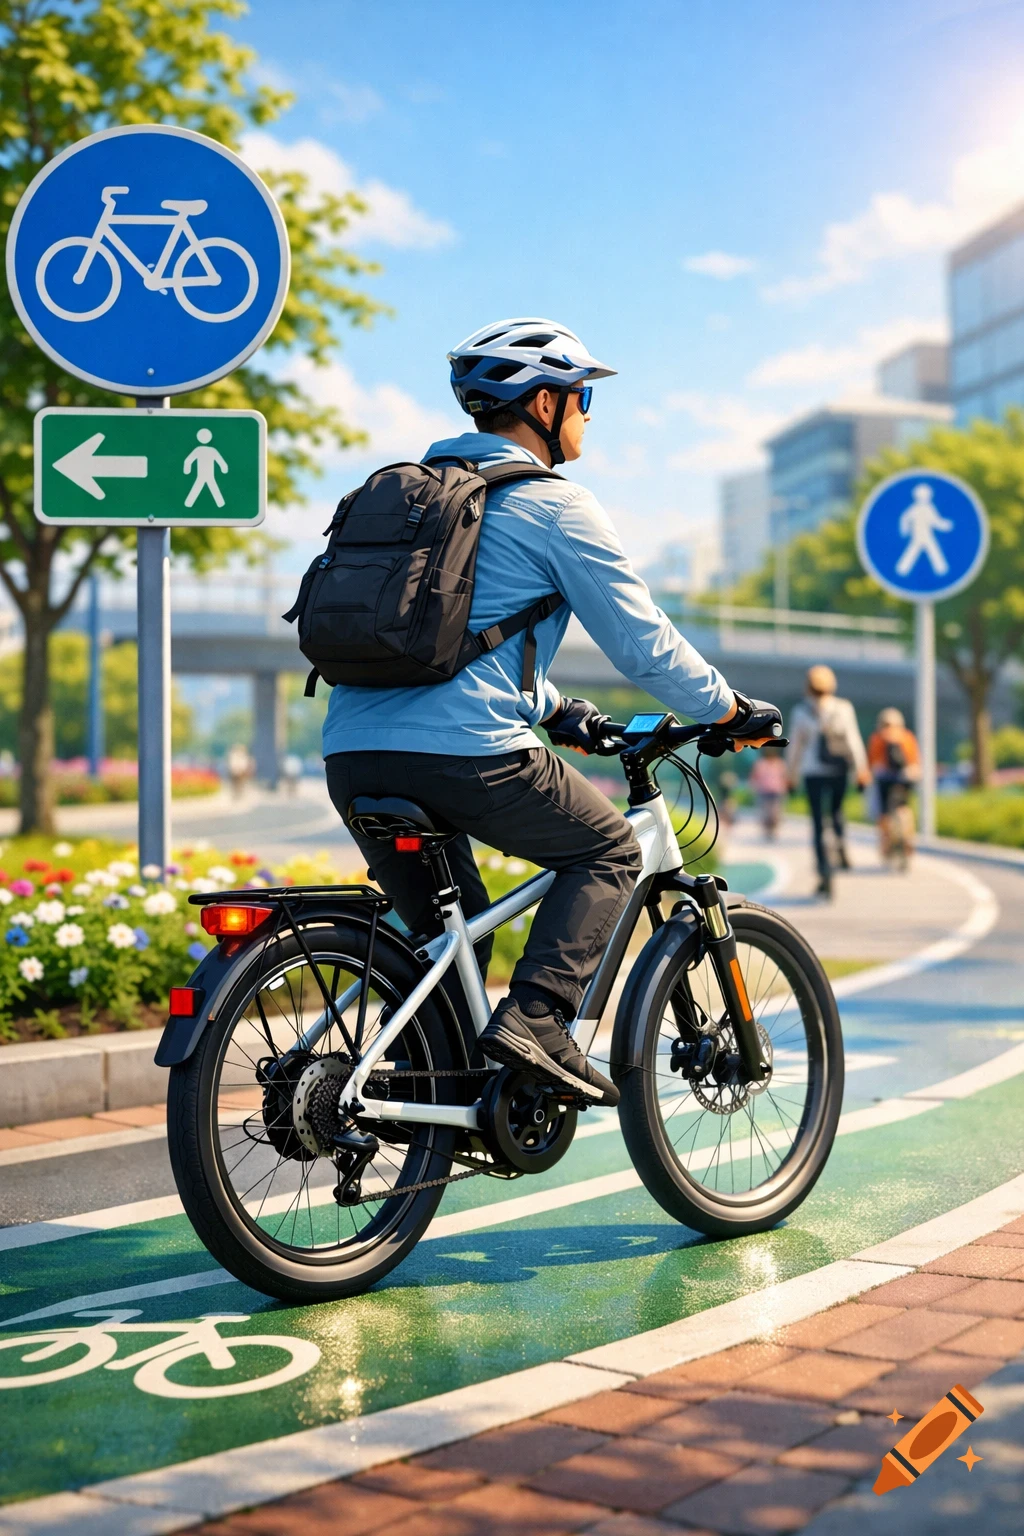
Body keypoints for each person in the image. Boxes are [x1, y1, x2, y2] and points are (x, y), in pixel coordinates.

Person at [322, 318, 777, 1106]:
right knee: (606, 850)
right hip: (468, 753)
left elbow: (452, 638)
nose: (588, 416)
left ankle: (432, 1093)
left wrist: (556, 709)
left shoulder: (409, 498)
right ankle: (539, 1019)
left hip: (352, 753)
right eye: (581, 399)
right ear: (541, 403)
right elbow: (644, 645)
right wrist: (726, 707)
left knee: (452, 941)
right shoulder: (554, 505)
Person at [785, 665, 869, 897]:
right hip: (838, 770)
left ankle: (823, 870)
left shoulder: (801, 712)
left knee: (818, 823)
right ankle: (840, 843)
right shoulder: (843, 708)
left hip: (813, 773)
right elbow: (853, 740)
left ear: (808, 687)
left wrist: (790, 777)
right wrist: (861, 769)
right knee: (837, 810)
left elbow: (795, 749)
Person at [868, 707, 921, 866]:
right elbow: (915, 760)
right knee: (903, 807)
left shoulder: (878, 738)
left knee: (883, 812)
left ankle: (886, 844)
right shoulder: (907, 737)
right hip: (905, 778)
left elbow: (872, 762)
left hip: (885, 779)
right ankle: (908, 836)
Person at [749, 744, 788, 841]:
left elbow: (784, 777)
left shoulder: (780, 763)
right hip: (764, 791)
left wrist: (785, 787)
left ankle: (773, 830)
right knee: (766, 813)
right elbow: (754, 777)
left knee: (775, 813)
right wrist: (754, 787)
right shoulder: (760, 763)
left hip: (776, 791)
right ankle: (767, 831)